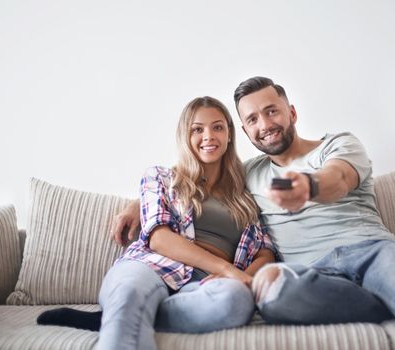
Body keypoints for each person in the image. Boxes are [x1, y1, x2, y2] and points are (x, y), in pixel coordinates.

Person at [113, 77, 395, 350]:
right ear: (244, 132)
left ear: (291, 112)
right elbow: (194, 176)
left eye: (271, 111)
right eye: (252, 119)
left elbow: (339, 178)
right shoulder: (248, 174)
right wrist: (138, 202)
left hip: (371, 250)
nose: (264, 125)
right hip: (308, 273)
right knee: (270, 290)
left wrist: (308, 187)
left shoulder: (337, 144)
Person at [37, 96, 276, 350]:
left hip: (204, 287)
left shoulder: (245, 195)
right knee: (130, 293)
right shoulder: (161, 178)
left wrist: (239, 279)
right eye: (197, 129)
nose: (208, 136)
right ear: (185, 136)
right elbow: (159, 238)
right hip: (151, 267)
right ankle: (125, 310)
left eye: (217, 127)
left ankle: (117, 316)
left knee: (237, 302)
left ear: (230, 134)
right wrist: (228, 270)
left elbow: (265, 252)